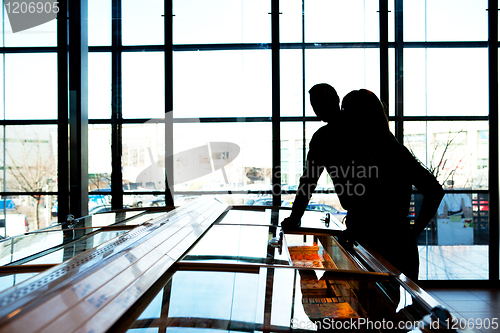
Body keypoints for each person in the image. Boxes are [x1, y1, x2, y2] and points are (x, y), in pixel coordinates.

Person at [282, 88, 444, 281]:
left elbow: (308, 181)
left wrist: (294, 217)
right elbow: (433, 190)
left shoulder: (331, 140)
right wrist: (412, 233)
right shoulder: (390, 148)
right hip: (393, 241)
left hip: (365, 238)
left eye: (347, 112)